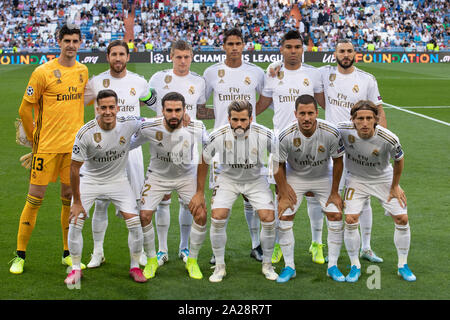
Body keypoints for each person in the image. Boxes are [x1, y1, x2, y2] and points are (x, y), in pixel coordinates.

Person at [10, 24, 89, 275]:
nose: (71, 45)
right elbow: (25, 109)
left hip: (73, 150)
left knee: (69, 199)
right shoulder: (42, 72)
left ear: (80, 43)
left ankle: (67, 253)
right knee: (35, 199)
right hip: (46, 149)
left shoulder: (83, 71)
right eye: (67, 40)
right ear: (59, 41)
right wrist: (34, 141)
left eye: (75, 41)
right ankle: (20, 255)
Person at [83, 40, 156, 269]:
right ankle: (97, 252)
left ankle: (139, 253)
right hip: (101, 149)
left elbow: (155, 104)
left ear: (127, 57)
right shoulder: (95, 83)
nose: (117, 58)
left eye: (121, 54)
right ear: (108, 57)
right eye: (113, 54)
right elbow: (77, 105)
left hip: (131, 149)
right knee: (101, 203)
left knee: (134, 203)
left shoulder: (140, 83)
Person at [255, 30, 325, 265]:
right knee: (280, 195)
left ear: (302, 49)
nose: (293, 51)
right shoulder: (272, 74)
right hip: (280, 143)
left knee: (314, 194)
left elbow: (325, 103)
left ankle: (317, 243)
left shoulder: (314, 75)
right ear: (282, 49)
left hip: (311, 142)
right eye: (288, 47)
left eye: (297, 47)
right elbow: (263, 104)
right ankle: (277, 245)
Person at [65, 89, 146, 285]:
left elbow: (152, 122)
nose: (108, 112)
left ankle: (135, 266)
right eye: (103, 108)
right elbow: (74, 169)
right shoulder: (85, 133)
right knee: (76, 221)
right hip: (90, 181)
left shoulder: (129, 123)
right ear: (96, 108)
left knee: (135, 224)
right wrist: (76, 202)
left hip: (118, 181)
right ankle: (75, 269)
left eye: (111, 107)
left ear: (118, 108)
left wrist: (180, 118)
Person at [191, 100, 278, 283]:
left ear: (251, 119)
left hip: (255, 180)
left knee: (269, 218)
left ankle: (268, 265)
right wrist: (199, 192)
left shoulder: (264, 134)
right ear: (229, 119)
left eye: (243, 120)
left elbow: (278, 157)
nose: (239, 124)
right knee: (218, 216)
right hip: (228, 179)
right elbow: (203, 160)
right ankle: (220, 266)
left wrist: (281, 188)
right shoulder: (217, 135)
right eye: (235, 119)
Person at [318, 39, 386, 264]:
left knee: (363, 198)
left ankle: (366, 247)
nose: (345, 55)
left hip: (361, 146)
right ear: (335, 54)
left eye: (349, 51)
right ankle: (333, 248)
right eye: (341, 51)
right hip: (332, 145)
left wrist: (381, 140)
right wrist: (273, 67)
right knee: (333, 196)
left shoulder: (367, 79)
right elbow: (299, 72)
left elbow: (378, 110)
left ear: (354, 53)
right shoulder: (325, 74)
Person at [203, 28, 265, 263]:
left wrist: (249, 120)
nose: (235, 47)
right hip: (221, 144)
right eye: (230, 43)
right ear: (223, 46)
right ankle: (217, 249)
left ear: (244, 45)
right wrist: (220, 116)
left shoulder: (256, 72)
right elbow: (201, 104)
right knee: (220, 198)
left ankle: (256, 244)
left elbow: (266, 98)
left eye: (238, 43)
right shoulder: (211, 72)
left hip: (251, 143)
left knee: (251, 197)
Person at [132, 92, 209, 280]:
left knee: (201, 214)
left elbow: (207, 154)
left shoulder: (196, 127)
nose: (174, 115)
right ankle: (151, 260)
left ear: (185, 110)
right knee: (144, 216)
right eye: (169, 110)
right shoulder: (149, 126)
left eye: (177, 110)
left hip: (186, 176)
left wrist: (200, 192)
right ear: (162, 111)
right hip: (158, 176)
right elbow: (128, 143)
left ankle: (192, 260)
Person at [338, 100, 415, 282]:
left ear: (376, 119)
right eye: (360, 118)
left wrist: (395, 185)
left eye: (369, 118)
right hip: (356, 179)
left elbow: (399, 160)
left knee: (402, 218)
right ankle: (355, 264)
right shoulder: (342, 129)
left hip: (383, 178)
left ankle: (402, 265)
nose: (364, 123)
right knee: (350, 220)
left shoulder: (389, 138)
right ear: (353, 120)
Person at [273, 94, 346, 283]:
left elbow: (338, 162)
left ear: (317, 113)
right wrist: (283, 191)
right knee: (285, 215)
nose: (306, 118)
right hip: (295, 176)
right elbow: (277, 165)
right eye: (302, 113)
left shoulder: (331, 132)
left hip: (323, 176)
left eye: (310, 113)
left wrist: (335, 192)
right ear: (295, 113)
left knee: (336, 215)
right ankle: (290, 266)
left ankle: (333, 266)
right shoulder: (285, 135)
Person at [148, 40, 207, 266]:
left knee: (187, 202)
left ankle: (183, 247)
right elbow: (149, 100)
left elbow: (199, 108)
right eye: (178, 57)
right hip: (162, 144)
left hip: (189, 146)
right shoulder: (157, 78)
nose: (183, 61)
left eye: (186, 57)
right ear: (171, 56)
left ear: (192, 57)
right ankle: (162, 250)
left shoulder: (198, 82)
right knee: (163, 198)